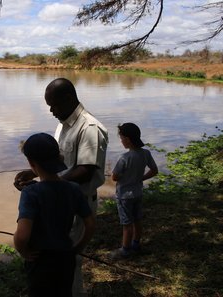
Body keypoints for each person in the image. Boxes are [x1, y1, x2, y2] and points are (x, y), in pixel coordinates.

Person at [14, 78, 108, 296]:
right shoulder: (64, 123)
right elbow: (57, 162)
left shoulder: (89, 128)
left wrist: (45, 186)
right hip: (60, 201)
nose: (51, 110)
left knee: (70, 262)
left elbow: (85, 171)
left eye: (53, 105)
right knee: (59, 260)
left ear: (68, 99)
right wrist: (35, 172)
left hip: (76, 204)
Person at [13, 133, 95, 297]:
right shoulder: (73, 189)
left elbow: (22, 236)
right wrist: (77, 247)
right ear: (59, 158)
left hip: (40, 261)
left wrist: (23, 250)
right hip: (65, 257)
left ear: (31, 163)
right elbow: (90, 225)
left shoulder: (30, 193)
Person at [110, 123, 158, 259]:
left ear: (128, 140)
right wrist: (141, 178)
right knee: (137, 220)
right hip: (138, 193)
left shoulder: (124, 158)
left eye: (121, 138)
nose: (121, 140)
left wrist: (123, 177)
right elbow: (154, 170)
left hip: (124, 196)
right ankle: (136, 245)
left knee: (127, 224)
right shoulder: (146, 153)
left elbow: (114, 177)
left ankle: (125, 250)